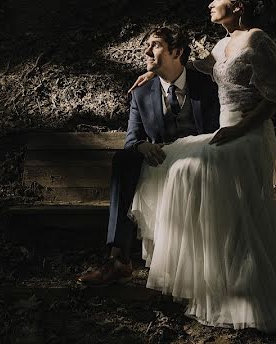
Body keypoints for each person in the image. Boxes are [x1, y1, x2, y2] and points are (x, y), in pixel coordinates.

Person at [128, 0, 276, 332]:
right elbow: (198, 66)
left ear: (238, 7)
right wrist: (154, 70)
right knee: (171, 158)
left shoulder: (258, 41)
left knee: (193, 169)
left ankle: (251, 294)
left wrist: (241, 130)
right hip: (226, 132)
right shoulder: (222, 44)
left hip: (250, 135)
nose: (211, 4)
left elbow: (274, 98)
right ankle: (210, 281)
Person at [77, 25, 220, 287]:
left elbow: (216, 133)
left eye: (154, 45)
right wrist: (141, 147)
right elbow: (132, 139)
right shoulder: (142, 93)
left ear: (176, 52)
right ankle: (118, 259)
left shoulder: (206, 86)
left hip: (201, 160)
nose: (146, 51)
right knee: (124, 160)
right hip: (161, 163)